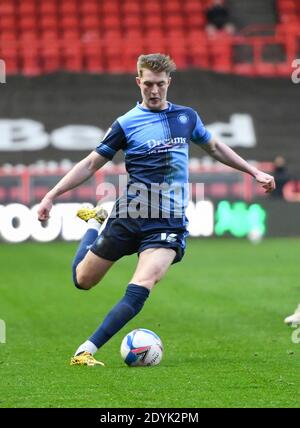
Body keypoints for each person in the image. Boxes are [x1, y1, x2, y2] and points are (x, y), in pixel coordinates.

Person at [37, 53, 276, 366]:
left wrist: (253, 171)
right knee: (82, 280)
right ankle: (97, 222)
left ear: (169, 83)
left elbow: (215, 147)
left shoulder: (186, 117)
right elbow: (91, 163)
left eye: (160, 84)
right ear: (138, 82)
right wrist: (51, 195)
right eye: (148, 84)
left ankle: (86, 350)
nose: (154, 90)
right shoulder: (125, 124)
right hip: (129, 213)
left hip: (168, 221)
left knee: (142, 284)